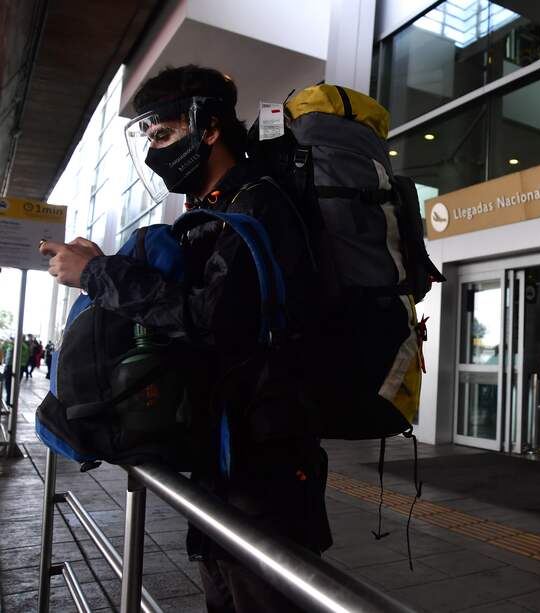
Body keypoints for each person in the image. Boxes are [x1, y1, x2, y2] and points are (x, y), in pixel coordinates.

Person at [40, 64, 330, 613]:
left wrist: (99, 276)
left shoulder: (258, 205)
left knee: (261, 596)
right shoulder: (210, 212)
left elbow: (213, 319)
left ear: (209, 128)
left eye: (165, 134)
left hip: (265, 464)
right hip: (223, 456)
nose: (155, 151)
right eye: (148, 138)